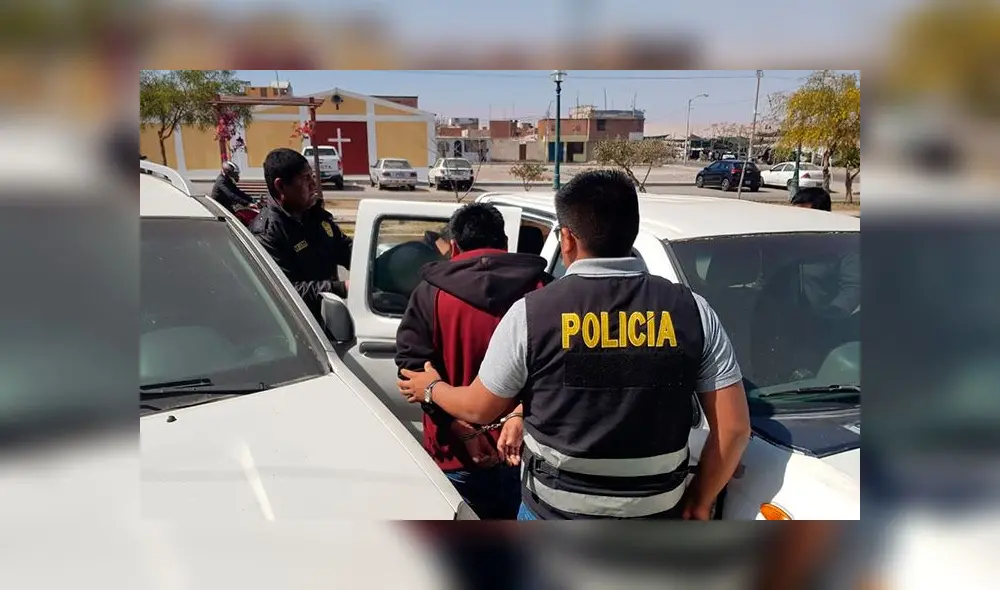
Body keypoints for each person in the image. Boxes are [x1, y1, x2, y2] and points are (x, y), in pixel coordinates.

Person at [398, 169, 751, 520]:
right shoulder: (693, 310)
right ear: (632, 231)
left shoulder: (533, 313)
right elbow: (734, 429)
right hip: (656, 515)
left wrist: (431, 388)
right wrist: (701, 499)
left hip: (556, 516)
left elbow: (479, 407)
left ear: (566, 238)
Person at [396, 203, 552, 519]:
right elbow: (556, 371)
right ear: (505, 245)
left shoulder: (430, 293)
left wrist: (456, 427)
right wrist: (519, 414)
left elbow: (411, 371)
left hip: (453, 453)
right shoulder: (543, 289)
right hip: (526, 451)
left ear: (454, 246)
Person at [251, 148, 353, 320]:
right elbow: (286, 290)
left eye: (312, 177)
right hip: (298, 328)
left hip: (331, 318)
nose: (314, 184)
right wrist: (342, 287)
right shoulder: (267, 233)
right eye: (306, 179)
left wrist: (374, 265)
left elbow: (345, 249)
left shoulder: (316, 216)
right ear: (281, 186)